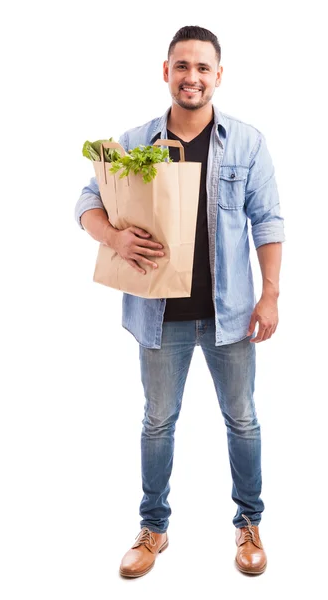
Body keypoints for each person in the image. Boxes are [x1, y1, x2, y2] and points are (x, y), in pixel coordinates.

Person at [75, 25, 285, 578]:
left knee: (242, 420)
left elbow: (268, 221)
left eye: (202, 67)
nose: (192, 77)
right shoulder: (135, 141)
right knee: (157, 422)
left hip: (231, 315)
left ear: (219, 75)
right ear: (165, 71)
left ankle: (248, 523)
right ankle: (154, 529)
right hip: (159, 314)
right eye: (182, 66)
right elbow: (87, 201)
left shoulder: (246, 142)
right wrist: (114, 237)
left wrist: (271, 295)